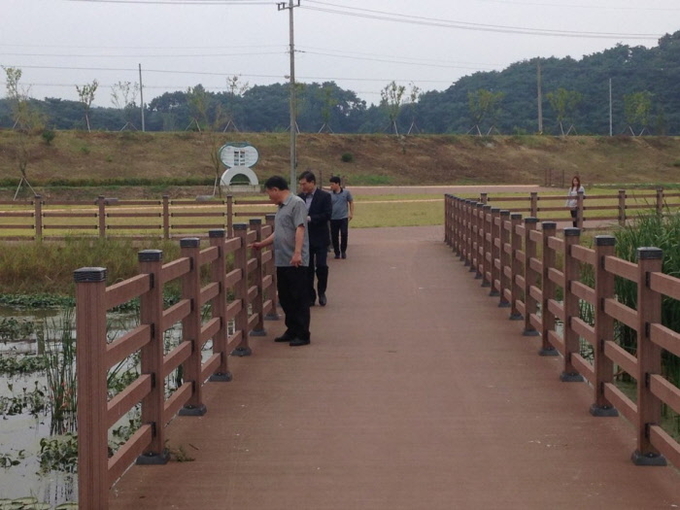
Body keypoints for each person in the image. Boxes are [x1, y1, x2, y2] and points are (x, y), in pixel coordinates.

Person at [251, 175, 311, 347]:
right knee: (285, 297)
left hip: (295, 260)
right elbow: (279, 232)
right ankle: (291, 329)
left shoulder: (297, 203)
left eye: (269, 193)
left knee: (298, 297)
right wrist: (262, 244)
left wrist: (297, 253)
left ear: (275, 190)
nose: (269, 197)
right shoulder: (281, 207)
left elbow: (300, 228)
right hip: (283, 259)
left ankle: (302, 333)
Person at [298, 170, 332, 307]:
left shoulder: (324, 196)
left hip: (321, 237)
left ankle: (322, 292)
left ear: (312, 182)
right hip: (305, 238)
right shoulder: (299, 198)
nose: (302, 187)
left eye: (304, 184)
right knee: (308, 268)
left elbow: (327, 214)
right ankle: (310, 296)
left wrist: (311, 218)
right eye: (301, 184)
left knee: (322, 266)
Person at [329, 176, 354, 259]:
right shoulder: (329, 195)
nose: (331, 186)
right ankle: (337, 252)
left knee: (344, 234)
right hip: (333, 218)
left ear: (337, 184)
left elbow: (351, 202)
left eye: (332, 184)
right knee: (334, 236)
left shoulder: (346, 193)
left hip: (343, 217)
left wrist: (351, 213)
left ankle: (343, 251)